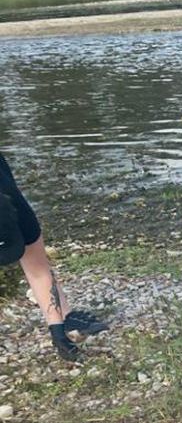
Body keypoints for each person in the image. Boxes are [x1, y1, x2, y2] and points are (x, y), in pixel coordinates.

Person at [0, 152, 107, 361]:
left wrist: (59, 335)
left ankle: (66, 318)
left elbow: (39, 272)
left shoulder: (23, 221)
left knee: (35, 259)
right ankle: (64, 319)